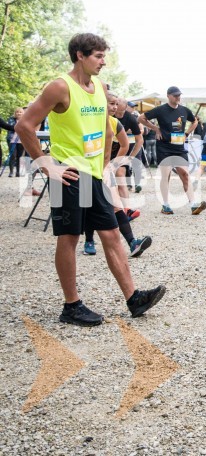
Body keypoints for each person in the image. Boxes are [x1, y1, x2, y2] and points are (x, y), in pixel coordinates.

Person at [14, 33, 165, 326]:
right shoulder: (60, 87)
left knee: (111, 234)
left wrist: (106, 165)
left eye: (104, 55)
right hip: (68, 173)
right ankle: (71, 306)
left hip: (94, 175)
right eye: (98, 56)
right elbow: (24, 126)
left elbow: (107, 129)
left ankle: (134, 298)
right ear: (79, 56)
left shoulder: (97, 87)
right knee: (69, 238)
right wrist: (47, 166)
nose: (103, 61)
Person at [83, 93, 152, 258]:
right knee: (87, 205)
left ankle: (133, 243)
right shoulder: (88, 120)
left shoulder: (115, 123)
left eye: (116, 104)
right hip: (85, 168)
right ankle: (89, 241)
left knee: (116, 205)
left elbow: (125, 144)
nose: (114, 107)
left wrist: (113, 165)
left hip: (104, 170)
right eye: (111, 104)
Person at [138, 86, 206, 215]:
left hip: (179, 147)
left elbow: (195, 122)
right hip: (164, 146)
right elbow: (141, 118)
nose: (178, 97)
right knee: (166, 175)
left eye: (179, 95)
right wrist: (156, 128)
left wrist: (186, 134)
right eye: (175, 95)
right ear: (168, 96)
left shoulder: (184, 110)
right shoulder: (160, 109)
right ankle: (165, 205)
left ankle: (193, 205)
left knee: (185, 174)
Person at [114, 97, 144, 204]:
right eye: (118, 112)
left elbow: (140, 140)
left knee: (121, 177)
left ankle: (127, 209)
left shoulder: (130, 118)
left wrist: (130, 157)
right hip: (107, 151)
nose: (120, 115)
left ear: (126, 108)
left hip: (122, 151)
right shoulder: (107, 115)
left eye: (123, 112)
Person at [4, 108, 25, 177]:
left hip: (21, 140)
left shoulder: (25, 120)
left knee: (19, 156)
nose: (19, 113)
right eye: (17, 112)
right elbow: (11, 127)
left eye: (20, 112)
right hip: (12, 140)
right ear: (15, 113)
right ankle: (11, 172)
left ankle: (18, 172)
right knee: (12, 156)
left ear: (23, 113)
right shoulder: (11, 119)